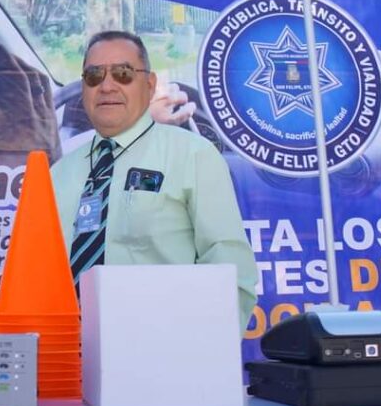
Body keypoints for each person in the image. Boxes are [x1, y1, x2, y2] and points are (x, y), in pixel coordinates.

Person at [50, 30, 258, 331]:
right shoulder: (59, 174)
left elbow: (230, 268)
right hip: (69, 360)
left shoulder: (193, 155)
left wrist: (209, 352)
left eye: (123, 73)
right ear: (84, 87)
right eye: (94, 75)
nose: (107, 85)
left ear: (149, 85)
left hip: (164, 354)